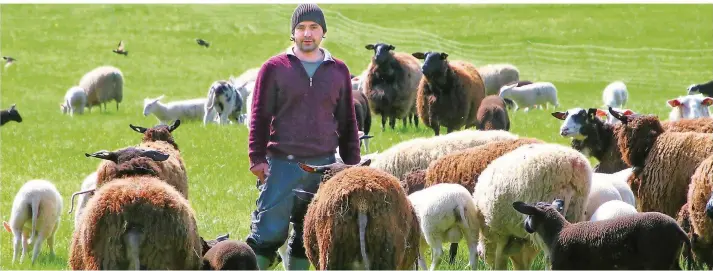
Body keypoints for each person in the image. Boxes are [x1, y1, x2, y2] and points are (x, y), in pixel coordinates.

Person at [245, 3, 361, 270]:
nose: (307, 34)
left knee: (309, 235)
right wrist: (256, 157)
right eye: (301, 28)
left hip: (324, 166)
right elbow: (260, 116)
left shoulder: (338, 71)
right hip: (281, 164)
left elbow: (347, 121)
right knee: (268, 232)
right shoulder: (274, 68)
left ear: (323, 32)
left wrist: (352, 165)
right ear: (293, 33)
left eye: (313, 28)